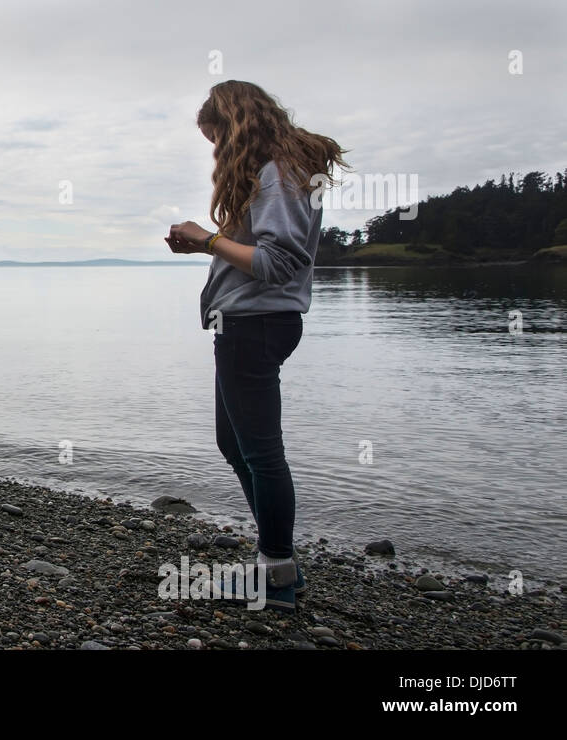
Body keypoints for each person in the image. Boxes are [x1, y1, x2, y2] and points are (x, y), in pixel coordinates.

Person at [165, 80, 348, 612]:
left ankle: (278, 575)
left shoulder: (279, 175)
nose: (218, 152)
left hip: (258, 326)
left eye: (217, 138)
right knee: (236, 445)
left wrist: (208, 239)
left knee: (262, 454)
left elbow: (277, 264)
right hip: (245, 324)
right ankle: (278, 561)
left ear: (236, 123)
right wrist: (210, 248)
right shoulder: (277, 174)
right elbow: (256, 255)